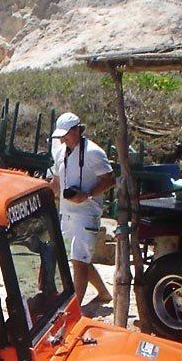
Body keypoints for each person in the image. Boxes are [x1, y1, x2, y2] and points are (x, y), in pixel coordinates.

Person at [49, 112, 116, 313]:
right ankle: (103, 293)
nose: (63, 139)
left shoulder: (93, 152)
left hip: (86, 213)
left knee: (79, 261)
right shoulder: (61, 152)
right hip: (67, 213)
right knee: (78, 258)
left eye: (66, 134)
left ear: (77, 130)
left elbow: (110, 179)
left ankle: (74, 309)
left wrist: (86, 195)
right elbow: (57, 181)